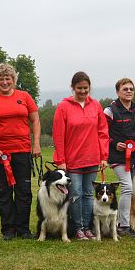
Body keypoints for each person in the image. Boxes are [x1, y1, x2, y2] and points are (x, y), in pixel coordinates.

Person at [0, 63, 41, 240]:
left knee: (24, 191)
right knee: (3, 191)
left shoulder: (24, 97)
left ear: (14, 80)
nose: (4, 82)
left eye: (8, 78)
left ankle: (23, 229)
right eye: (1, 79)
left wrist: (36, 144)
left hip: (22, 151)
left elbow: (35, 121)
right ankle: (8, 229)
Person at [52, 71, 109, 241]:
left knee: (88, 194)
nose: (83, 91)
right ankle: (77, 228)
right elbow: (58, 135)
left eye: (86, 88)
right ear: (73, 87)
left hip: (92, 158)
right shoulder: (63, 107)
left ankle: (87, 227)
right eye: (79, 88)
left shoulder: (96, 106)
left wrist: (103, 156)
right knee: (75, 193)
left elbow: (103, 132)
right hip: (72, 160)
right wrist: (60, 160)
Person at [104, 78, 135, 237]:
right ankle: (123, 226)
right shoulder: (110, 111)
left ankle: (130, 221)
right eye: (125, 89)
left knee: (132, 191)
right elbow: (102, 134)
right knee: (127, 187)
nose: (129, 91)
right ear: (118, 92)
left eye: (131, 89)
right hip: (117, 157)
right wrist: (114, 143)